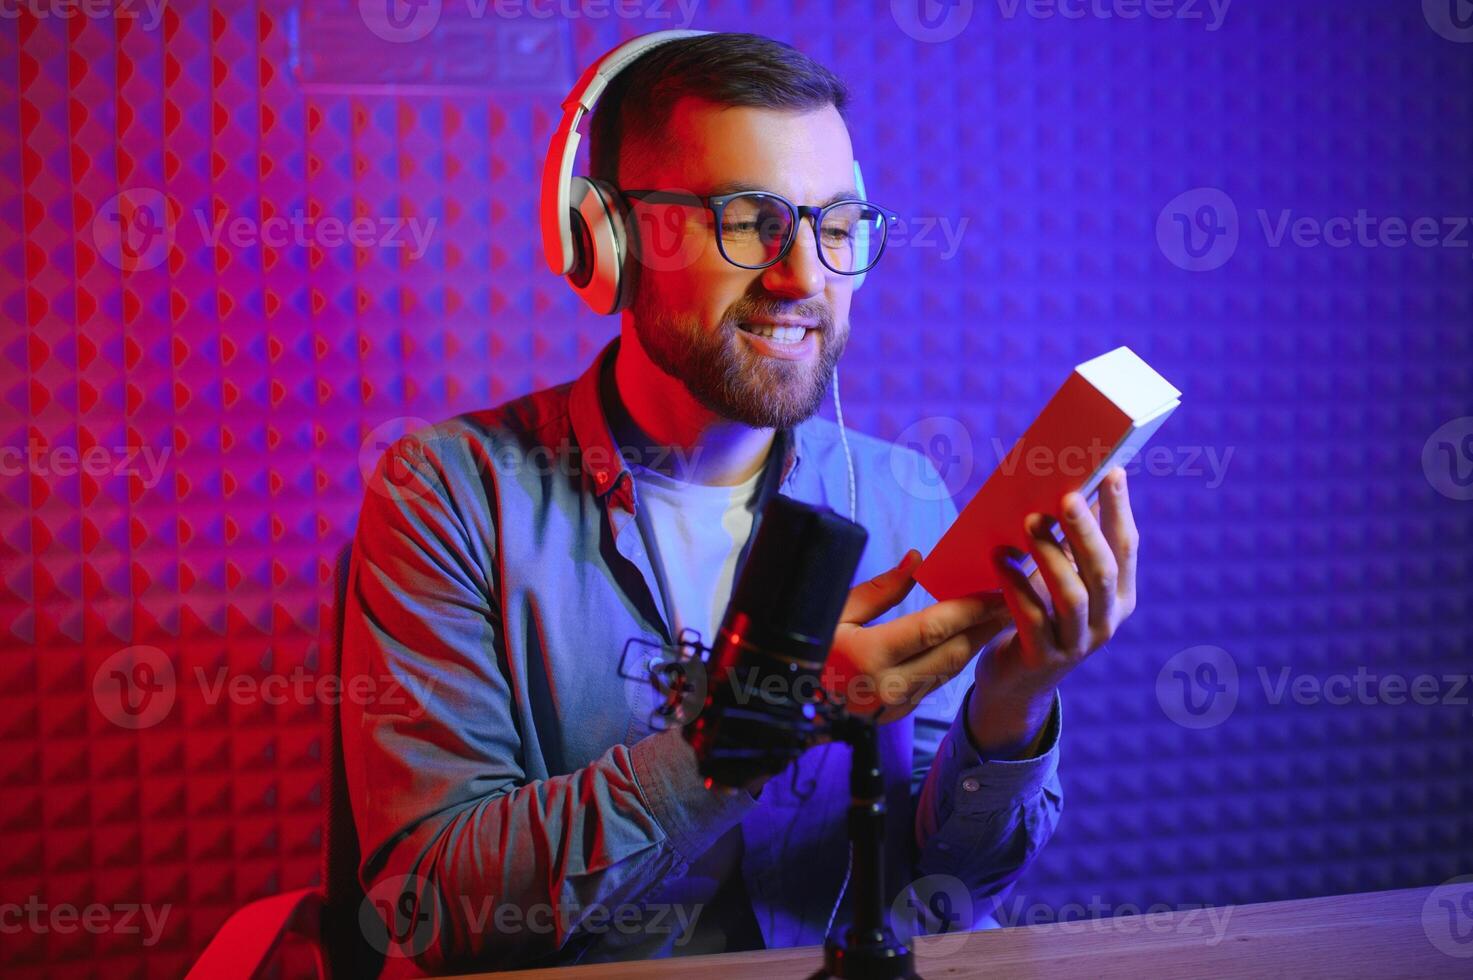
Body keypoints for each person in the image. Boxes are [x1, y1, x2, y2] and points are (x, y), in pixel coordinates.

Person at [341, 31, 1140, 976]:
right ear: (608, 240)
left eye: (835, 227)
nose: (804, 277)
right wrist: (760, 718)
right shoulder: (450, 497)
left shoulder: (897, 494)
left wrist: (1009, 708)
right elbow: (436, 908)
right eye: (749, 220)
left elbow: (949, 896)